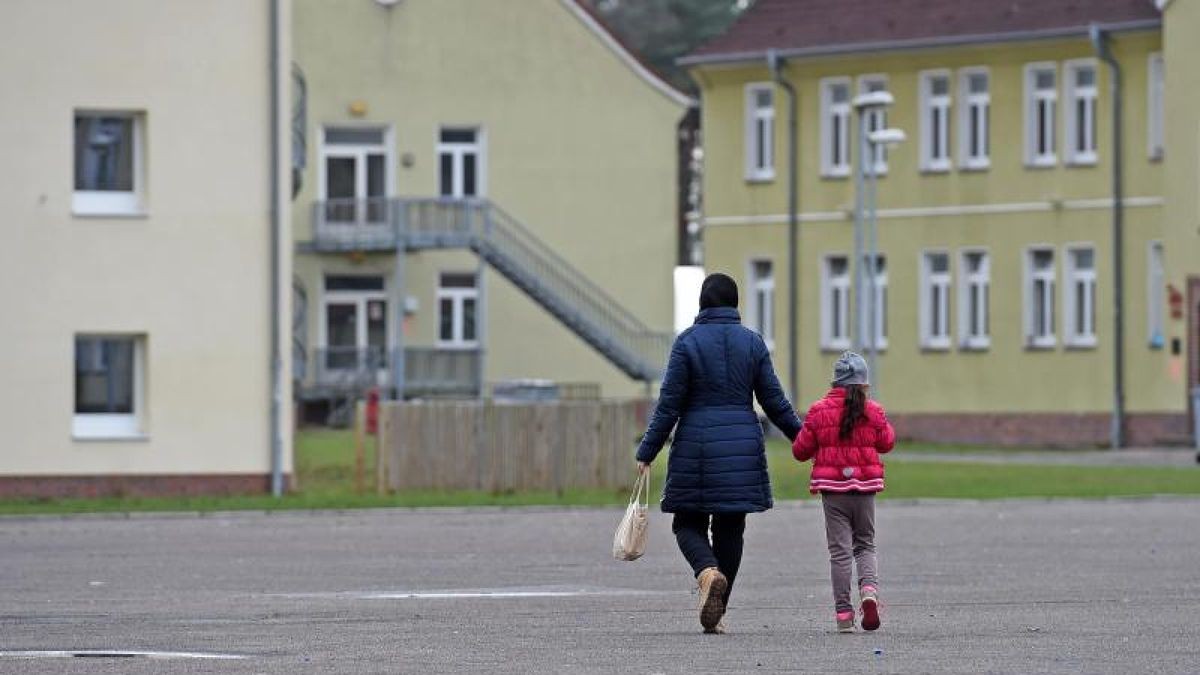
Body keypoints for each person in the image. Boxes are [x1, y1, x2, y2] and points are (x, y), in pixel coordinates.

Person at [635, 273, 802, 634]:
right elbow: (774, 401)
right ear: (735, 304)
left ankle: (707, 573)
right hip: (741, 446)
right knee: (731, 527)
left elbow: (669, 406)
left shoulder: (688, 343)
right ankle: (719, 610)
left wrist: (648, 449)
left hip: (696, 444)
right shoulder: (752, 344)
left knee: (687, 522)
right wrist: (804, 440)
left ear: (702, 303)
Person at [792, 351, 895, 633]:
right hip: (865, 490)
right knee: (865, 545)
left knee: (839, 552)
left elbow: (800, 451)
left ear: (835, 383)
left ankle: (844, 616)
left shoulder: (818, 410)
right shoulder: (873, 411)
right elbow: (887, 442)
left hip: (833, 492)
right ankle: (869, 593)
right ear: (863, 384)